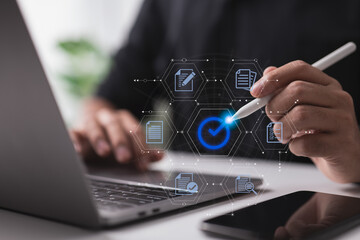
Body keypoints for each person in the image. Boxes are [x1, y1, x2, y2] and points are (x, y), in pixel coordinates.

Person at [70, 0, 360, 183]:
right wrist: (102, 129)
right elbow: (109, 97)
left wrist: (354, 160)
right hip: (183, 202)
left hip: (315, 214)